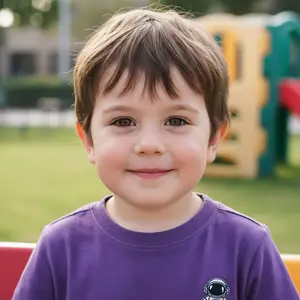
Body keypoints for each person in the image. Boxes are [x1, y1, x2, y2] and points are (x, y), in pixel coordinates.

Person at [13, 7, 299, 300]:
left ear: (214, 138)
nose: (150, 144)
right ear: (89, 140)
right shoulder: (61, 247)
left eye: (176, 121)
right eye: (123, 121)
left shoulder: (247, 247)